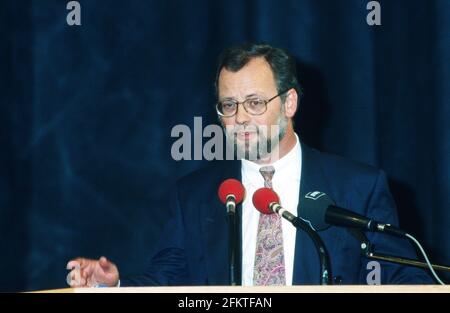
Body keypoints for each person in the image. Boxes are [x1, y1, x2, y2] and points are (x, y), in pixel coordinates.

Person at [67, 44, 433, 287]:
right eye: (229, 105)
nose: (240, 117)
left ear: (289, 103)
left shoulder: (358, 188)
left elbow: (406, 280)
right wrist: (114, 286)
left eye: (255, 103)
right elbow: (167, 280)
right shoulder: (195, 195)